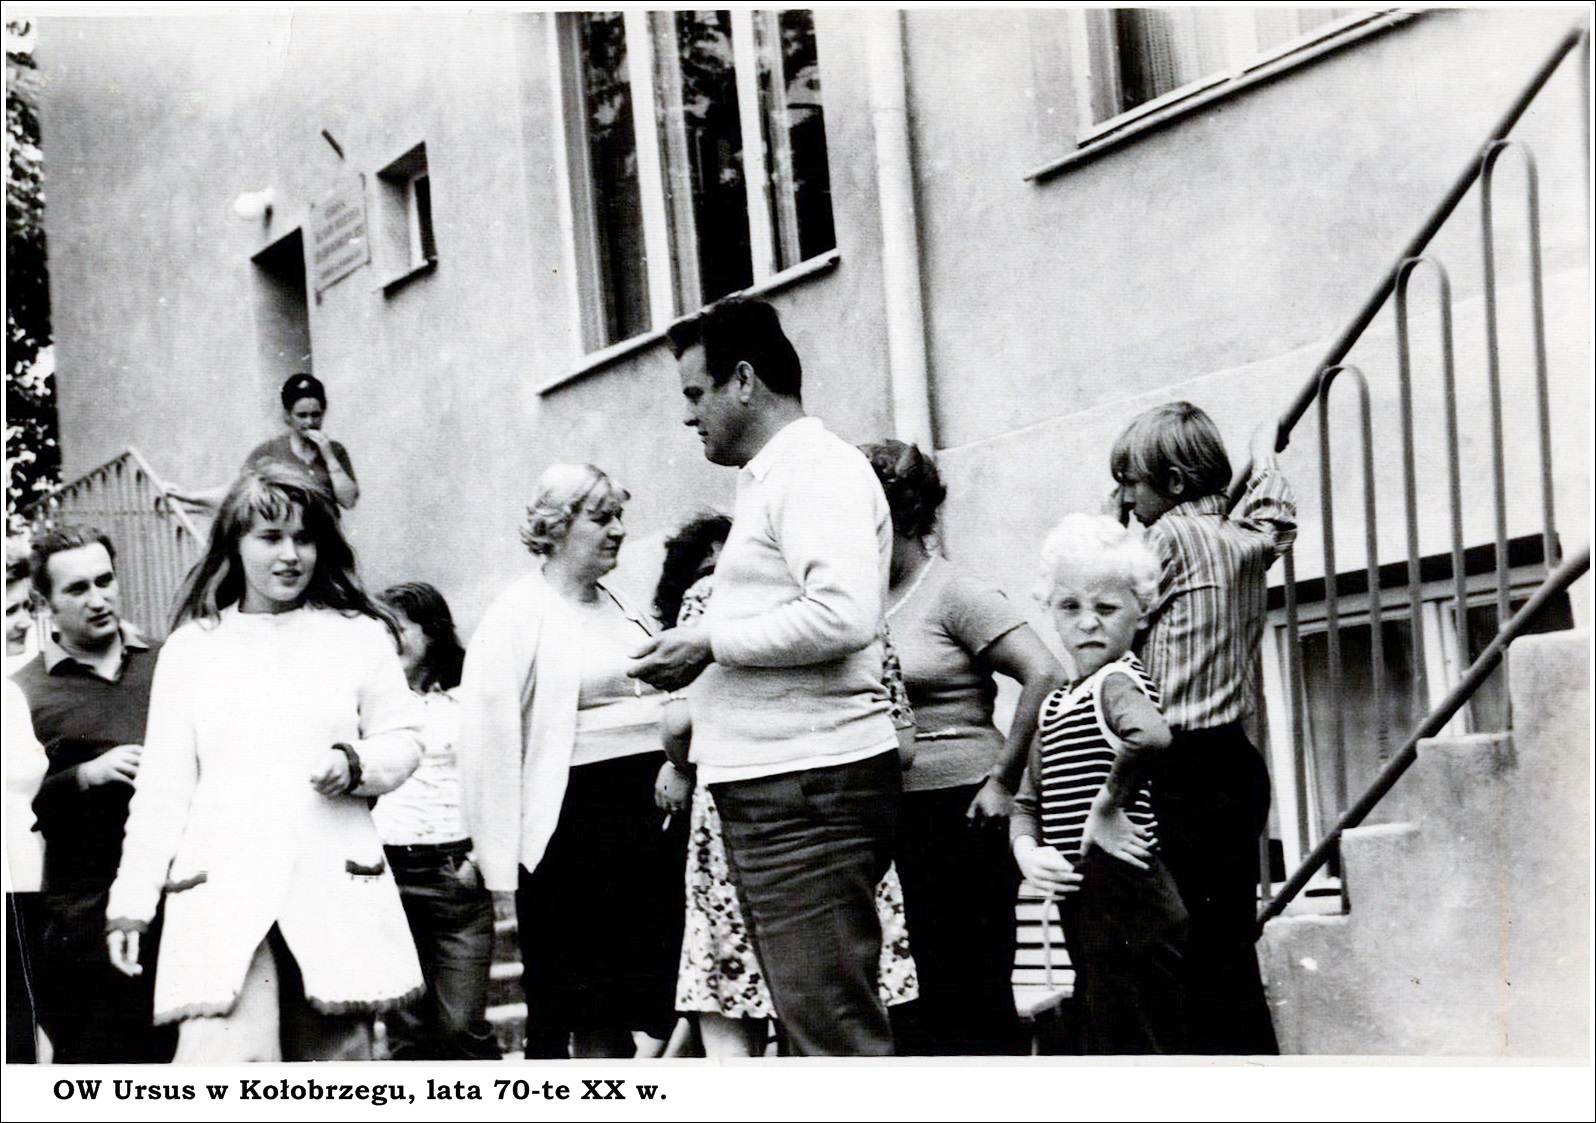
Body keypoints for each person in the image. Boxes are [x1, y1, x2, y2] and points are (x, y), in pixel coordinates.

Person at [631, 297, 901, 1056]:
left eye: (696, 392)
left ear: (744, 381)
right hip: (782, 787)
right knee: (816, 1031)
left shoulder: (814, 469)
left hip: (808, 787)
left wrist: (708, 644)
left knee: (833, 1037)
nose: (688, 414)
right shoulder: (776, 475)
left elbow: (843, 615)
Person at [103, 466, 424, 1062]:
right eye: (270, 538)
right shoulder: (193, 649)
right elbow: (163, 791)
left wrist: (355, 763)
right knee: (224, 1063)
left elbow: (403, 738)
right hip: (225, 893)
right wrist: (131, 903)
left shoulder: (357, 636)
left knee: (337, 1066)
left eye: (304, 538)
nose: (290, 555)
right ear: (235, 543)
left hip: (329, 885)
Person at [653, 515, 918, 1058]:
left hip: (737, 820)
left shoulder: (708, 601)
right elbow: (903, 743)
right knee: (837, 1010)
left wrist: (681, 764)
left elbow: (679, 723)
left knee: (730, 1002)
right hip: (844, 813)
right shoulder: (856, 603)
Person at [457, 464, 688, 1060]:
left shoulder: (622, 605)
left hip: (650, 819)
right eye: (601, 517)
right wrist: (497, 858)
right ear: (556, 527)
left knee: (654, 1000)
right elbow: (487, 743)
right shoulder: (517, 614)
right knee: (591, 1009)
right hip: (576, 830)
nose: (618, 530)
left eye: (620, 516)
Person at [861, 439, 1063, 1056]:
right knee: (915, 1001)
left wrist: (1004, 780)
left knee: (972, 994)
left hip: (963, 811)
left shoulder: (953, 591)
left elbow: (1044, 673)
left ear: (895, 514)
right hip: (893, 815)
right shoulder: (861, 598)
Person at [1110, 401, 1295, 1055]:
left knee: (1179, 955)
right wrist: (1263, 447)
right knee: (1226, 953)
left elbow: (1111, 619)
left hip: (1179, 768)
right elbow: (1276, 517)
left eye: (1130, 483)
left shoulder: (1164, 541)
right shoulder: (1245, 540)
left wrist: (1109, 534)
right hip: (1232, 765)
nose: (1124, 498)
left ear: (1174, 483)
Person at [1013, 513, 1186, 1054]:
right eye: (1070, 607)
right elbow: (1026, 801)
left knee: (1132, 1038)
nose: (1087, 623)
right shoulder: (1055, 703)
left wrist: (1108, 807)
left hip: (1130, 893)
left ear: (1141, 611)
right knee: (1101, 1030)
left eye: (1106, 608)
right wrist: (1027, 852)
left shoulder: (1115, 682)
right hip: (1084, 897)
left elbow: (1150, 736)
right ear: (1051, 610)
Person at [11, 526, 176, 1064]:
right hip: (83, 921)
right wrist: (84, 776)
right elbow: (11, 808)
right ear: (45, 604)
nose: (98, 599)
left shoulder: (170, 665)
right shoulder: (24, 694)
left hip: (176, 906)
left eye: (105, 581)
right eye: (77, 588)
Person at [372, 582, 500, 1061]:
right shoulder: (369, 705)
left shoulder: (470, 700)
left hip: (453, 876)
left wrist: (481, 858)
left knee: (461, 1028)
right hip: (388, 874)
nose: (387, 640)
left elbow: (499, 781)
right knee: (407, 1036)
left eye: (398, 628)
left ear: (432, 631)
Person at [165, 373, 360, 511]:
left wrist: (329, 456)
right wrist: (190, 496)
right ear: (288, 416)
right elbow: (237, 493)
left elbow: (348, 501)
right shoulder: (269, 451)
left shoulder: (335, 450)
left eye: (315, 415)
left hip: (329, 542)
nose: (309, 422)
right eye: (302, 415)